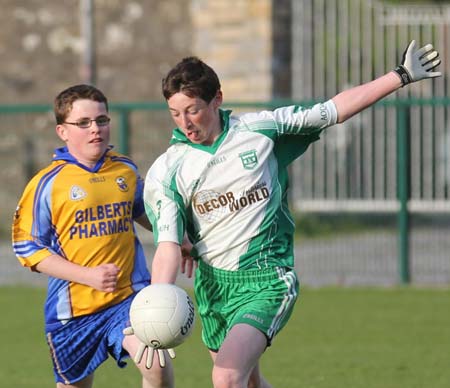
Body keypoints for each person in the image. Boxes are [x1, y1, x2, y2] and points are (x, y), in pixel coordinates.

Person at [143, 40, 441, 388]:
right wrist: (155, 306)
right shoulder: (168, 169)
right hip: (214, 287)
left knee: (226, 377)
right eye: (175, 114)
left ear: (217, 99)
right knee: (249, 381)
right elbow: (166, 245)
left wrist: (399, 76)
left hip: (268, 279)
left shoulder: (260, 131)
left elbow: (332, 111)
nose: (185, 122)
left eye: (192, 110)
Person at [11, 84, 175, 388]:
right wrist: (87, 275)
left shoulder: (124, 170)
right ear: (62, 131)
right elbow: (25, 248)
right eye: (83, 123)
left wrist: (181, 239)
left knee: (157, 365)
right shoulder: (46, 184)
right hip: (72, 314)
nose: (95, 129)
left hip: (129, 299)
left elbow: (148, 215)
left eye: (102, 120)